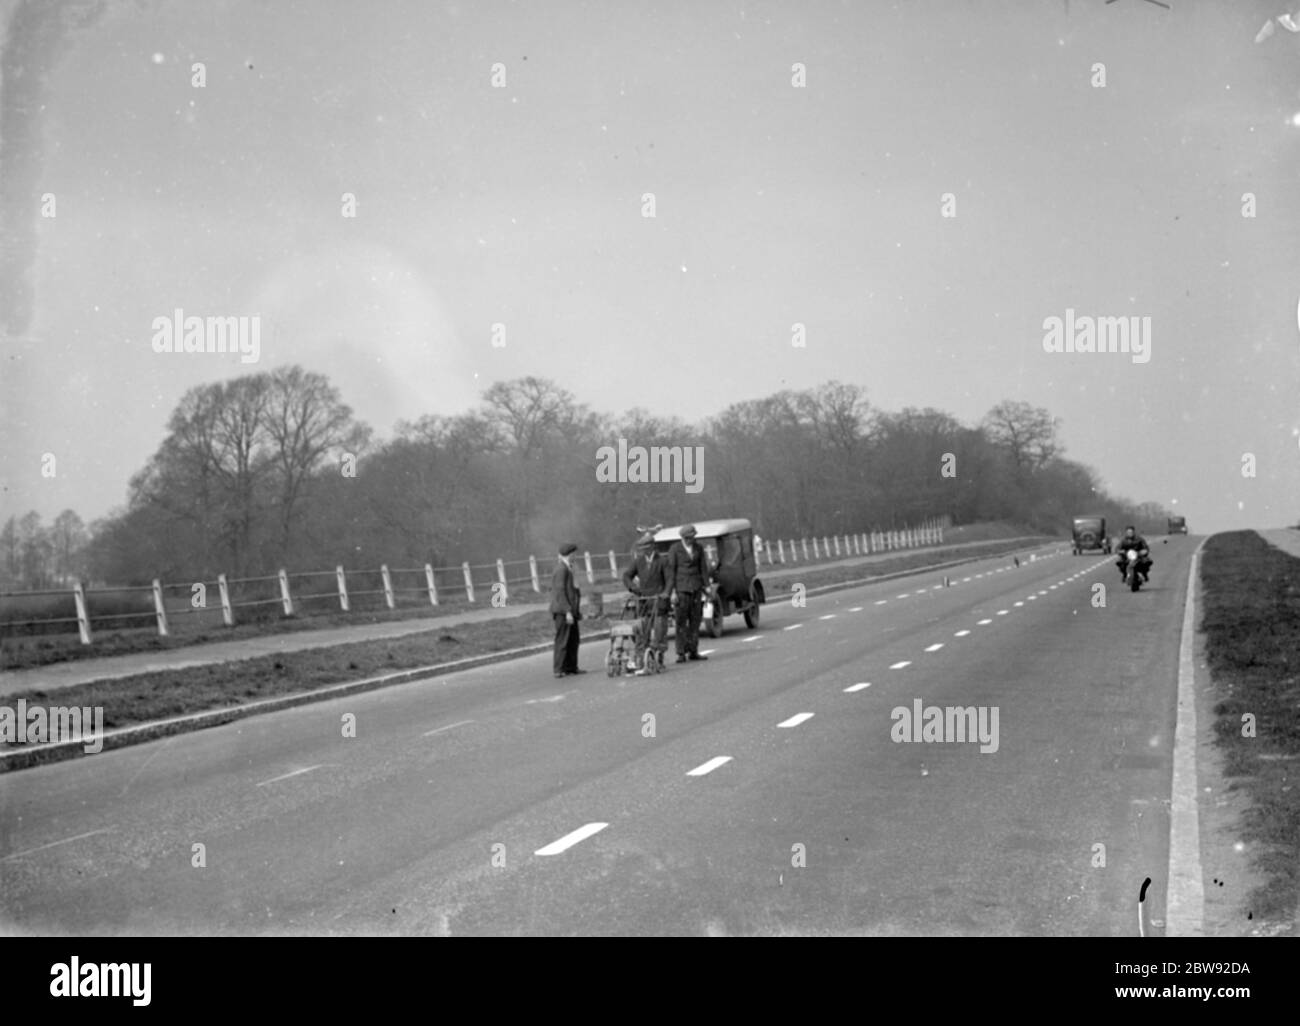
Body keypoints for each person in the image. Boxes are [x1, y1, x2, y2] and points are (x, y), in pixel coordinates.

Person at [665, 524, 718, 663]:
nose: (691, 540)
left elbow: (703, 569)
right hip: (681, 590)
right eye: (688, 538)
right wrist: (672, 592)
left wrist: (707, 586)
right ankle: (681, 653)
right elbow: (671, 571)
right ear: (683, 538)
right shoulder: (675, 549)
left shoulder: (699, 548)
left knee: (695, 621)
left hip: (696, 588)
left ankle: (693, 650)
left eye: (693, 537)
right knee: (681, 622)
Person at [621, 532, 671, 673]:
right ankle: (641, 658)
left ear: (653, 547)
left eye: (646, 548)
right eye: (642, 549)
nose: (644, 551)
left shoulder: (662, 561)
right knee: (642, 632)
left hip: (659, 601)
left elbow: (669, 579)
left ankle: (659, 657)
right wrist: (633, 587)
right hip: (644, 602)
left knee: (660, 630)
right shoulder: (639, 562)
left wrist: (666, 592)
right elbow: (626, 576)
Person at [549, 542, 585, 678]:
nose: (575, 556)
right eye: (573, 554)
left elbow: (572, 590)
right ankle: (558, 669)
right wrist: (567, 611)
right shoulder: (561, 569)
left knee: (573, 639)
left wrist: (576, 611)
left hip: (571, 610)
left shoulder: (568, 568)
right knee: (563, 640)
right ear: (568, 555)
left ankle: (571, 667)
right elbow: (560, 592)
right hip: (563, 611)